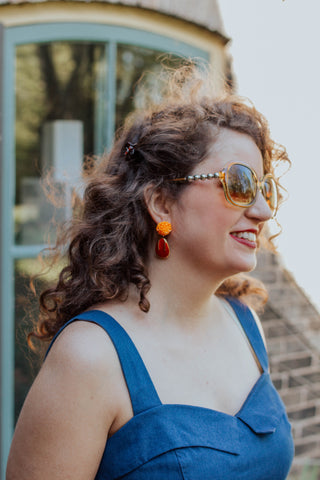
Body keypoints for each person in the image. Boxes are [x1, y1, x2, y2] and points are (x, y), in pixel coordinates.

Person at [6, 65, 294, 479]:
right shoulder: (90, 357)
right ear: (160, 202)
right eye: (239, 184)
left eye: (264, 188)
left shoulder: (246, 323)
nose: (263, 210)